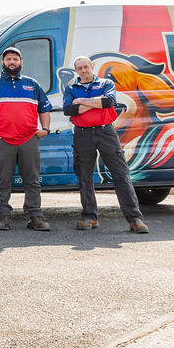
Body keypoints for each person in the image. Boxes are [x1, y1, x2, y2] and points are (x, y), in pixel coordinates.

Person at [63, 56, 149, 233]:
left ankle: (135, 219)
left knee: (121, 174)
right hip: (82, 134)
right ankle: (89, 217)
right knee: (85, 176)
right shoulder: (71, 88)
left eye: (86, 66)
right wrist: (96, 103)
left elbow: (109, 102)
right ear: (76, 71)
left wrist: (82, 102)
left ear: (92, 66)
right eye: (79, 68)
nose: (84, 70)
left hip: (106, 132)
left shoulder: (106, 83)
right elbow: (68, 110)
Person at [0, 47, 53, 231]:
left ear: (21, 62)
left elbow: (44, 108)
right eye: (9, 59)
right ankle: (3, 216)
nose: (12, 62)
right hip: (2, 140)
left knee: (32, 180)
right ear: (3, 62)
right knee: (2, 180)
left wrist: (46, 129)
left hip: (29, 139)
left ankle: (35, 217)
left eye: (15, 59)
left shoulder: (32, 84)